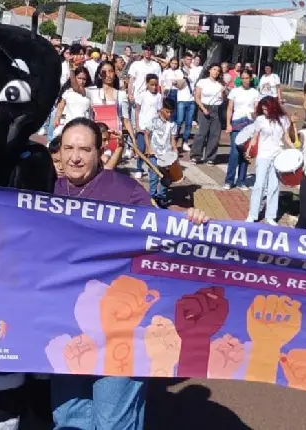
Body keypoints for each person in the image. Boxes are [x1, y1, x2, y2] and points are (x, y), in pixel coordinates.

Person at [51, 117, 209, 430]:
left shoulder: (125, 191)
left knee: (112, 421)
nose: (75, 157)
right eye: (68, 148)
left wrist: (188, 221)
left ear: (100, 153)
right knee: (69, 418)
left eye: (84, 149)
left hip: (121, 331)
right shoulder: (48, 190)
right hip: (66, 325)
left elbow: (162, 233)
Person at [245, 96, 294, 225]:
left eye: (267, 109)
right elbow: (255, 137)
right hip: (263, 155)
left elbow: (287, 138)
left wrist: (294, 150)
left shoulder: (283, 120)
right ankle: (252, 214)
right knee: (259, 185)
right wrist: (249, 148)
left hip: (278, 154)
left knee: (274, 185)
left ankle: (271, 216)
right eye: (263, 109)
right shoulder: (260, 119)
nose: (265, 112)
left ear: (273, 108)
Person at [224, 70, 260, 190]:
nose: (245, 80)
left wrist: (255, 117)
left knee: (245, 152)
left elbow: (256, 110)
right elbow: (230, 108)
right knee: (234, 152)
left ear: (251, 79)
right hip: (237, 121)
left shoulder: (255, 92)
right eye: (243, 78)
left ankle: (241, 181)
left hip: (249, 122)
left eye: (247, 78)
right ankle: (229, 180)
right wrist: (228, 124)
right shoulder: (235, 91)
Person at [144, 98, 178, 207]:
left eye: (171, 112)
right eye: (167, 111)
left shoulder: (173, 124)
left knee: (167, 178)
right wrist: (148, 148)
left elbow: (173, 139)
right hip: (154, 154)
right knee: (153, 177)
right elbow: (146, 134)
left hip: (166, 154)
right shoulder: (154, 121)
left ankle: (161, 196)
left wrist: (175, 150)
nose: (169, 114)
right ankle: (152, 198)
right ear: (162, 109)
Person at [191, 63, 226, 165]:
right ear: (209, 70)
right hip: (205, 107)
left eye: (218, 70)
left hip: (217, 109)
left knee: (215, 134)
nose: (216, 72)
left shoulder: (221, 83)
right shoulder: (202, 82)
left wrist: (223, 92)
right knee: (201, 133)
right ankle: (196, 155)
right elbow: (197, 97)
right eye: (214, 69)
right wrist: (202, 108)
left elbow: (223, 99)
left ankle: (210, 157)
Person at [134, 73, 162, 179]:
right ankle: (139, 168)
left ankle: (152, 168)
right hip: (143, 126)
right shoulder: (142, 95)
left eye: (156, 85)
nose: (154, 87)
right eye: (152, 85)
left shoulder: (159, 96)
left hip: (154, 127)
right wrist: (137, 125)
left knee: (153, 149)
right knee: (141, 148)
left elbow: (159, 111)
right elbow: (137, 110)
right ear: (147, 84)